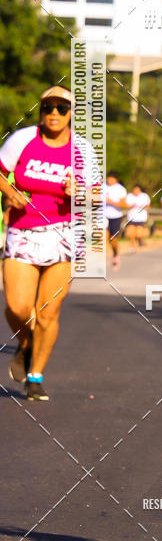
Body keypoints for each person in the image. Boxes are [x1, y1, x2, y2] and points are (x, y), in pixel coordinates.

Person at [0, 85, 100, 401]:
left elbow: (98, 194)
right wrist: (10, 192)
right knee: (17, 307)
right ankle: (25, 341)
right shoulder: (23, 139)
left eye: (61, 107)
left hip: (64, 235)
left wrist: (80, 192)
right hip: (22, 231)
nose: (54, 113)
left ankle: (35, 377)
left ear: (71, 113)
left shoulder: (82, 149)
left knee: (47, 312)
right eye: (48, 107)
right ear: (41, 110)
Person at [105, 172, 127, 269]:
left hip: (115, 216)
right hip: (102, 215)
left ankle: (115, 254)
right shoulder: (102, 186)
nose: (109, 180)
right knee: (103, 237)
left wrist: (111, 202)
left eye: (112, 179)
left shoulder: (121, 189)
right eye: (108, 178)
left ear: (116, 179)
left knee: (113, 239)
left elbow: (124, 204)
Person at [124, 184, 151, 252]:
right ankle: (133, 247)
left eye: (137, 190)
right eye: (134, 190)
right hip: (131, 217)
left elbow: (148, 206)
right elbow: (125, 205)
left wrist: (142, 206)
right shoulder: (129, 196)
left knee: (138, 233)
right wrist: (131, 206)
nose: (136, 191)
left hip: (141, 217)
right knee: (131, 233)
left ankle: (140, 240)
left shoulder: (144, 196)